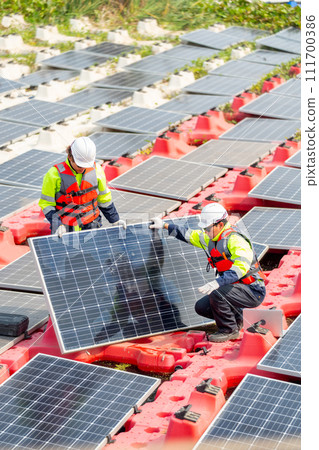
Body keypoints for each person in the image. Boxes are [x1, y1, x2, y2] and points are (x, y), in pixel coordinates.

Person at [150, 203, 266, 342]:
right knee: (202, 307)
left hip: (252, 290)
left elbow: (240, 268)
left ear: (220, 225)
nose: (205, 231)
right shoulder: (209, 238)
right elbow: (187, 234)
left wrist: (217, 283)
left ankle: (229, 330)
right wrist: (164, 225)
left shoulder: (236, 240)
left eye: (207, 228)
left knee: (217, 294)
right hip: (233, 289)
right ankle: (237, 319)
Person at [39, 136, 126, 237]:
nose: (83, 169)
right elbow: (46, 204)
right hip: (64, 229)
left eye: (87, 165)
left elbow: (104, 198)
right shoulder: (53, 174)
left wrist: (115, 219)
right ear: (70, 157)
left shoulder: (97, 170)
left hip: (92, 225)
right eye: (80, 165)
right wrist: (57, 225)